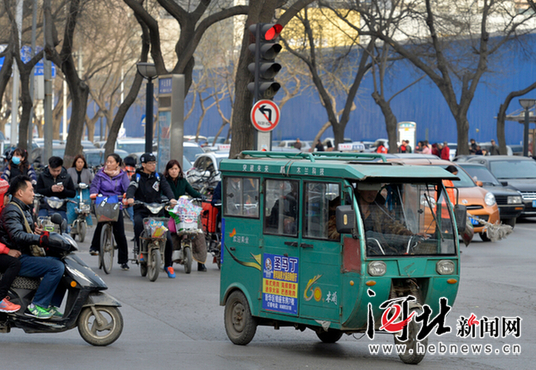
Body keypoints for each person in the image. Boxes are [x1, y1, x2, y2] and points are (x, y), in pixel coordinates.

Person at [0, 175, 67, 319]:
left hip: (26, 253)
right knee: (56, 267)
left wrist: (37, 232)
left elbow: (24, 231)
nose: (33, 193)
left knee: (63, 263)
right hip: (20, 256)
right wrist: (40, 239)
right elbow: (17, 235)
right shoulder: (12, 210)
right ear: (20, 193)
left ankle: (49, 304)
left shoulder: (23, 209)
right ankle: (38, 305)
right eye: (30, 190)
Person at [126, 153, 177, 278]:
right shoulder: (137, 177)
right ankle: (140, 252)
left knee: (167, 237)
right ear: (143, 165)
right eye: (150, 163)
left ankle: (168, 265)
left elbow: (166, 188)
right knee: (138, 224)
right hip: (142, 210)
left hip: (157, 211)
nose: (153, 165)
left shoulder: (159, 177)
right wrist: (129, 198)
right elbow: (131, 188)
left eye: (154, 163)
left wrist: (172, 199)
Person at [89, 154, 130, 270]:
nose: (109, 164)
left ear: (117, 164)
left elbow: (127, 188)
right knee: (101, 223)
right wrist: (93, 194)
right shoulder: (100, 175)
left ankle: (123, 261)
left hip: (117, 203)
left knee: (120, 234)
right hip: (103, 202)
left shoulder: (122, 176)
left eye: (111, 162)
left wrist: (127, 196)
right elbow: (94, 186)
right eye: (107, 161)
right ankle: (94, 247)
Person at [164, 159, 207, 272]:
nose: (174, 171)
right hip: (170, 211)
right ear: (167, 170)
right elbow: (161, 194)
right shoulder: (164, 181)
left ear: (179, 170)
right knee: (171, 234)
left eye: (176, 169)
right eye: (171, 169)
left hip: (184, 210)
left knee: (198, 232)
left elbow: (192, 192)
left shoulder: (183, 181)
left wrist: (201, 196)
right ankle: (169, 262)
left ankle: (200, 262)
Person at [35, 156, 76, 221]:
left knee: (63, 227)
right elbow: (38, 191)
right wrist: (50, 190)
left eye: (58, 171)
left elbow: (73, 193)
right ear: (49, 167)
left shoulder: (67, 177)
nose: (56, 173)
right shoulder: (42, 176)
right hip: (45, 207)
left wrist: (63, 190)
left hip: (60, 208)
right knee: (41, 225)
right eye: (54, 171)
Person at [66, 155, 94, 226]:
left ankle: (87, 221)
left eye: (82, 162)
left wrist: (89, 185)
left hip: (84, 191)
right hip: (73, 191)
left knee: (86, 203)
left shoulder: (87, 171)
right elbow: (66, 181)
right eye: (78, 162)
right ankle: (70, 223)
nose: (80, 164)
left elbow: (93, 181)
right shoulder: (70, 171)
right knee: (72, 205)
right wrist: (74, 185)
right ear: (75, 162)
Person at [123, 156, 137, 223]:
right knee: (133, 217)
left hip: (122, 197)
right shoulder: (137, 172)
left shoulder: (122, 172)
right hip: (133, 197)